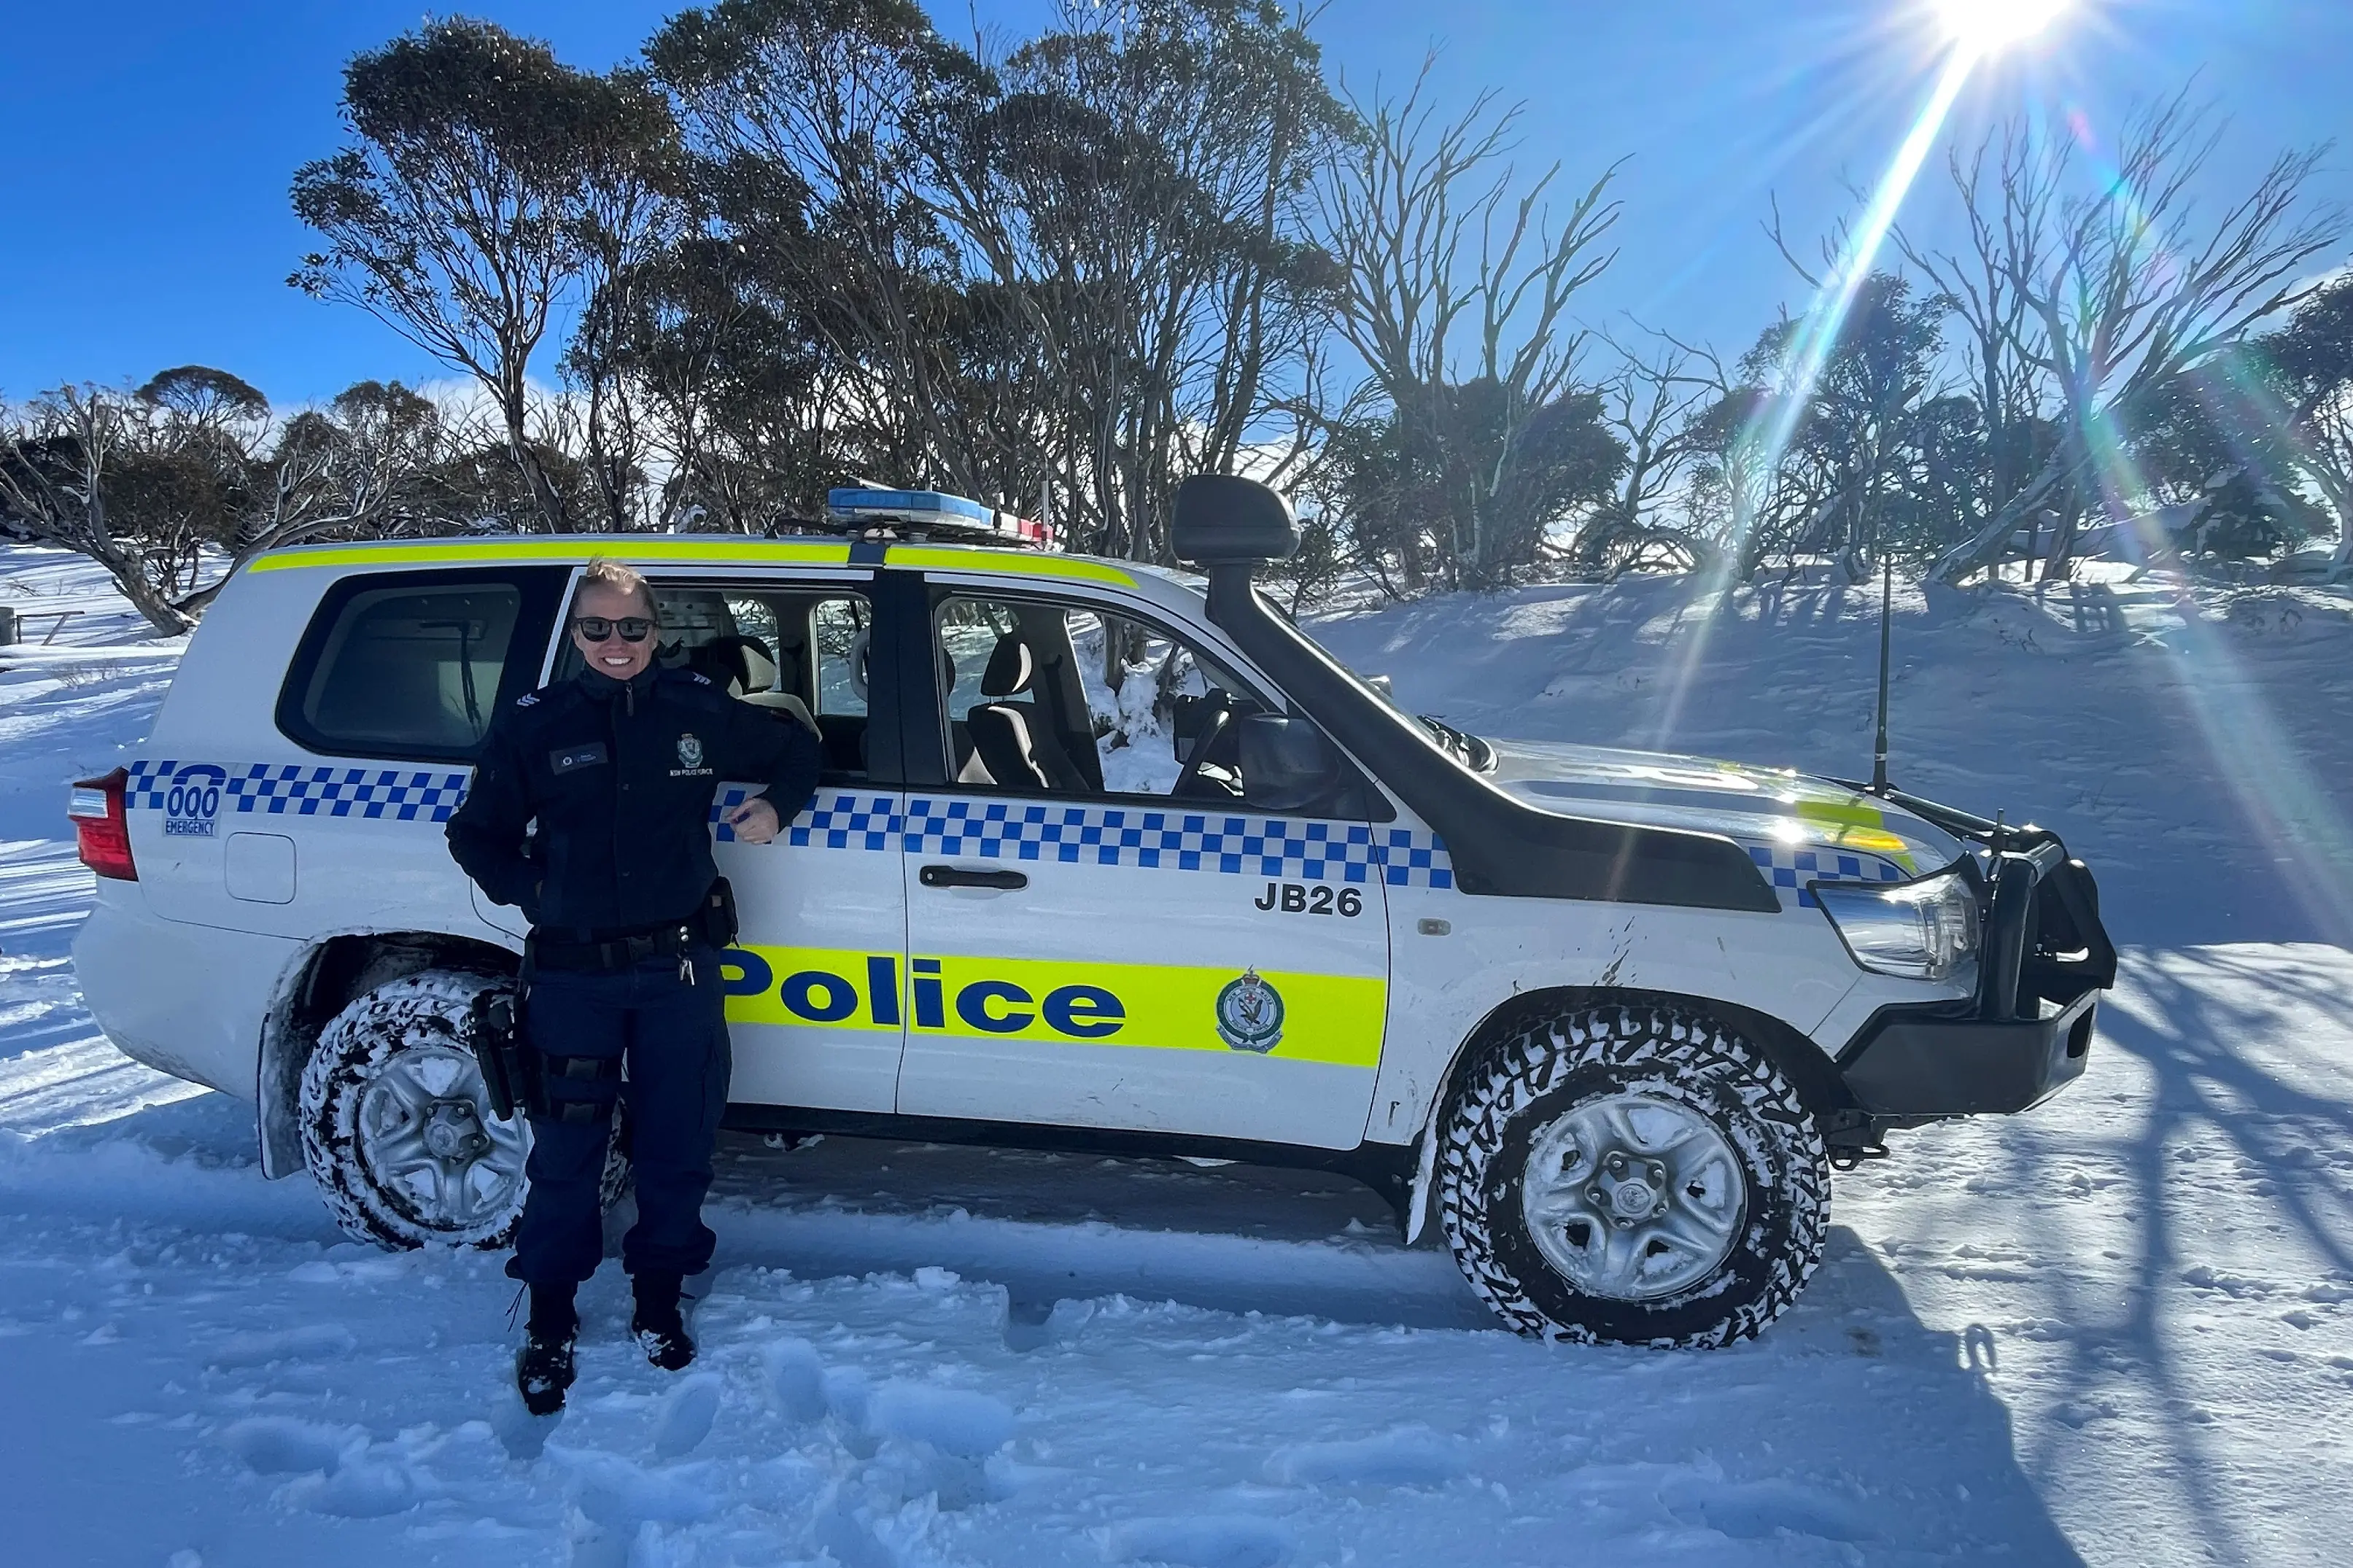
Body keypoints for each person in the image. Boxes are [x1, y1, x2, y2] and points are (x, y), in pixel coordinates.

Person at [446, 558, 823, 1415]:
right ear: (576, 634)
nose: (615, 643)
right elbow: (475, 834)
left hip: (677, 970)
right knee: (566, 1156)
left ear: (657, 630)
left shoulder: (697, 710)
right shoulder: (537, 723)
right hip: (572, 975)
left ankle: (659, 1299)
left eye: (632, 626)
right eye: (597, 627)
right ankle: (550, 1316)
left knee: (676, 1144)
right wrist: (538, 891)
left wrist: (777, 806)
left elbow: (796, 748)